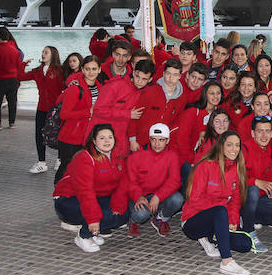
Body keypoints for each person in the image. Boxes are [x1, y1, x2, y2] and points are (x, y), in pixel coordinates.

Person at [181, 131, 255, 275]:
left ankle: (211, 238)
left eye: (237, 145)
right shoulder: (205, 166)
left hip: (219, 219)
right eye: (229, 145)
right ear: (221, 146)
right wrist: (220, 211)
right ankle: (226, 262)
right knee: (220, 210)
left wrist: (233, 220)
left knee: (245, 244)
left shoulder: (236, 169)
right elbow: (194, 199)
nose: (234, 149)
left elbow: (235, 200)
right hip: (193, 220)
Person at [53, 124, 130, 252]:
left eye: (110, 137)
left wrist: (119, 203)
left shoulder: (118, 157)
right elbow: (85, 192)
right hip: (68, 199)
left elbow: (123, 182)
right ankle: (84, 235)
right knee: (102, 215)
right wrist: (93, 219)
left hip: (97, 196)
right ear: (94, 141)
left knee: (123, 213)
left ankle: (92, 228)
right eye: (102, 138)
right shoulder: (85, 158)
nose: (107, 141)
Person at [125, 123, 185, 237]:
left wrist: (158, 196)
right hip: (141, 194)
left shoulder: (172, 156)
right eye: (153, 139)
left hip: (159, 195)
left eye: (161, 140)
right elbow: (130, 182)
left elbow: (175, 181)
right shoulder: (136, 156)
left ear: (167, 141)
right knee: (141, 215)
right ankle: (133, 221)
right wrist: (139, 196)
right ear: (149, 139)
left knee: (178, 199)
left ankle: (161, 218)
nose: (157, 144)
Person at [87, 59, 155, 158]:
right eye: (137, 76)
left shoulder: (146, 93)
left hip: (121, 141)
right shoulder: (115, 86)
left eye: (144, 79)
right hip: (100, 138)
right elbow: (98, 109)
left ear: (150, 79)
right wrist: (127, 114)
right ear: (133, 72)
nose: (139, 81)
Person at [54, 56, 104, 182]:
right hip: (71, 136)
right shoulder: (75, 89)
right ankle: (58, 193)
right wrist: (88, 112)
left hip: (89, 136)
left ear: (99, 70)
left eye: (94, 69)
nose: (91, 72)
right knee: (67, 166)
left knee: (83, 168)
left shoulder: (101, 88)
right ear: (82, 69)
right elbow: (64, 114)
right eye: (87, 69)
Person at [19, 45, 65, 174]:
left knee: (59, 134)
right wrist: (23, 64)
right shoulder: (37, 71)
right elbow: (20, 76)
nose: (43, 54)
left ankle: (60, 159)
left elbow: (66, 86)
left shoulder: (59, 70)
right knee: (39, 135)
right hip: (41, 108)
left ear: (53, 55)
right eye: (43, 52)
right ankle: (41, 162)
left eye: (46, 52)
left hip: (56, 108)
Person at [129, 58, 186, 152]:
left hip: (161, 145)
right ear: (163, 74)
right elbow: (135, 116)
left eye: (175, 74)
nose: (171, 78)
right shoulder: (150, 91)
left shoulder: (182, 97)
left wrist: (167, 139)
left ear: (180, 76)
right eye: (168, 74)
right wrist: (132, 139)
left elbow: (176, 121)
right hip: (141, 142)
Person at [0, 26, 22, 130]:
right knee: (12, 102)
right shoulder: (15, 51)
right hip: (13, 79)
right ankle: (12, 122)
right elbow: (18, 66)